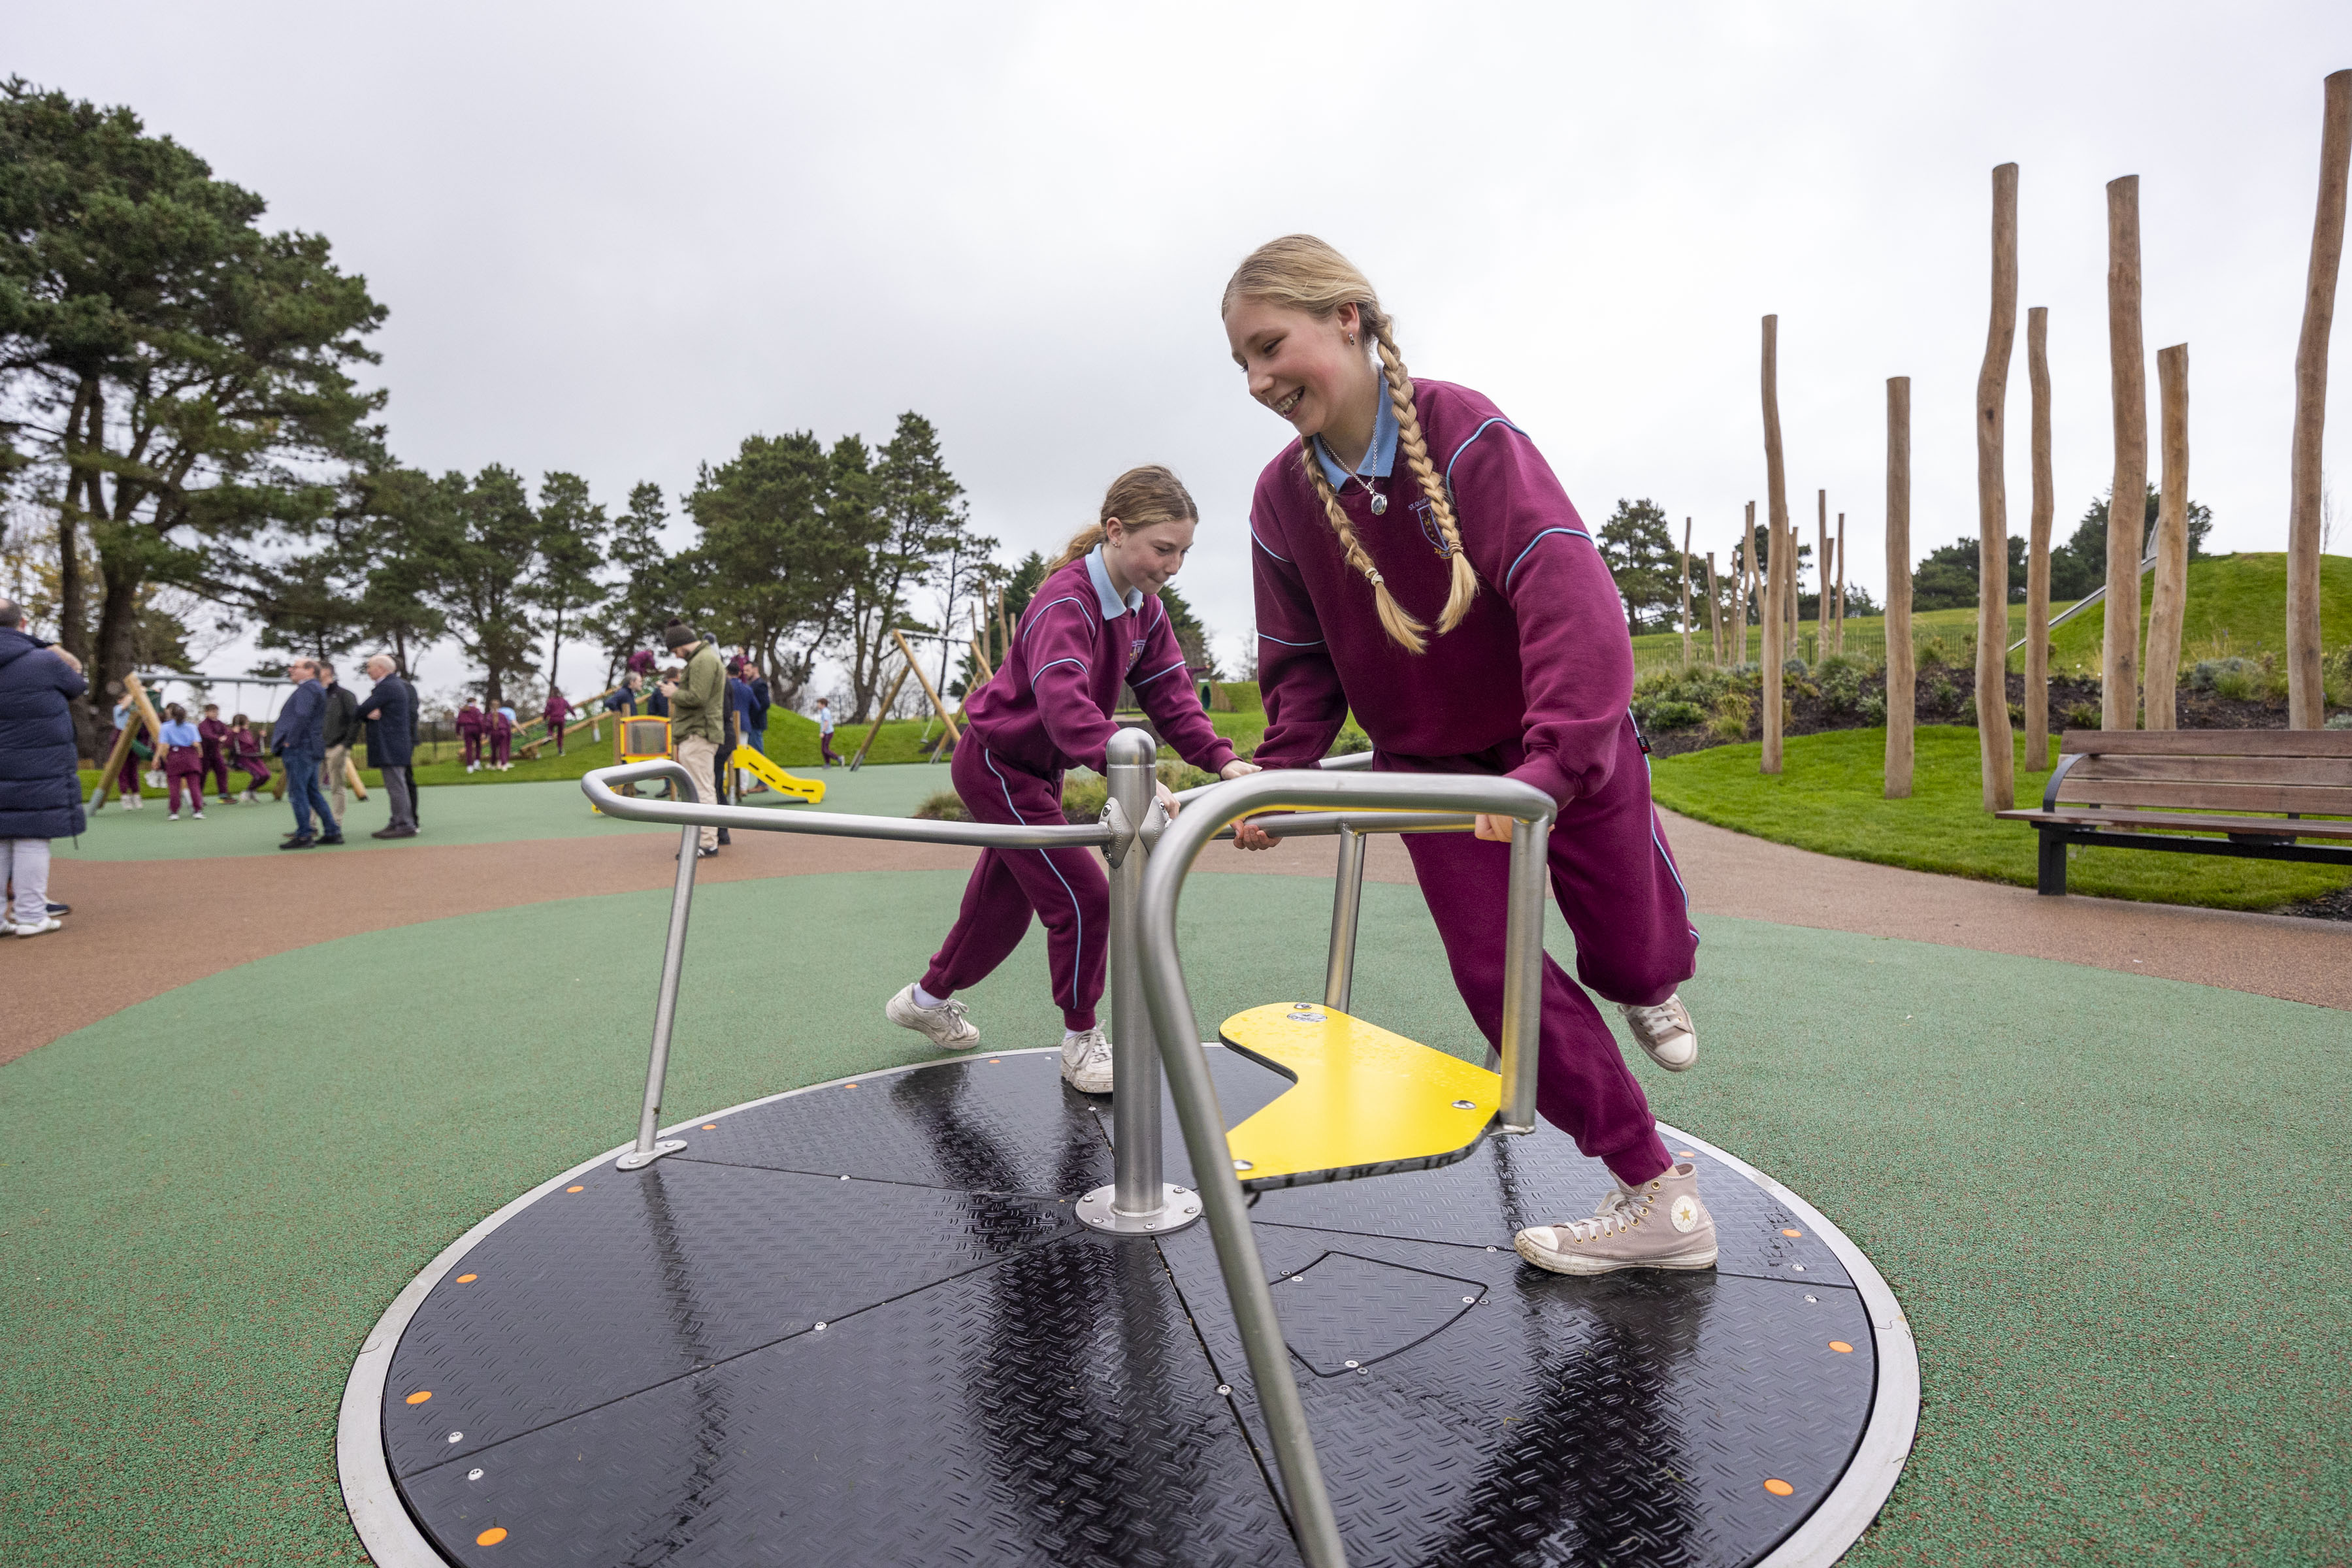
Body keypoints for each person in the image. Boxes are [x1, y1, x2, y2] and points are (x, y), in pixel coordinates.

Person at [1221, 235, 1709, 1277]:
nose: (1260, 381)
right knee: (1498, 974)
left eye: (1272, 347)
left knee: (1628, 942)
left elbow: (1566, 590)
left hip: (1556, 733)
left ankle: (1651, 978)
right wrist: (1277, 774)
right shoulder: (1280, 499)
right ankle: (1656, 1193)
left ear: (1346, 317)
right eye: (1243, 366)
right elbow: (1301, 662)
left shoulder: (1463, 431)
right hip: (1433, 769)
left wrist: (1556, 761)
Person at [884, 466, 1257, 1094]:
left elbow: (1172, 697)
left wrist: (1224, 761)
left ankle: (925, 999)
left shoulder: (1145, 610)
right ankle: (1081, 1039)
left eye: (1184, 552)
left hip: (1041, 770)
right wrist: (1129, 771)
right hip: (998, 766)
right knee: (1086, 898)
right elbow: (1064, 705)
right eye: (1162, 549)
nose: (1174, 566)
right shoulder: (1068, 601)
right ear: (1115, 532)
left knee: (1001, 905)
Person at [0, 597, 86, 936]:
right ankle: (32, 915)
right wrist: (44, 645)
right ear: (22, 625)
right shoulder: (45, 662)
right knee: (32, 837)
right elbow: (77, 682)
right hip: (39, 764)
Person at [660, 621, 725, 857]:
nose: (676, 656)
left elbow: (698, 697)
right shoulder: (703, 659)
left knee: (702, 789)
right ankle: (705, 839)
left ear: (681, 644)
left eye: (675, 651)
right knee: (701, 788)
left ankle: (707, 843)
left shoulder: (703, 660)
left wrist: (673, 693)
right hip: (697, 732)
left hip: (698, 733)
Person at [270, 657, 340, 848]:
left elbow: (302, 715)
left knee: (297, 792)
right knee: (312, 792)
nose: (290, 669)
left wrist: (289, 741)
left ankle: (304, 835)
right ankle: (332, 831)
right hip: (311, 747)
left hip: (300, 747)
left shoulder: (307, 688)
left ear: (310, 671)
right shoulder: (316, 688)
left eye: (295, 667)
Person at [356, 653, 417, 838]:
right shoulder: (394, 685)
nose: (368, 671)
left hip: (391, 745)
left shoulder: (387, 686)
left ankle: (403, 824)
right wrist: (367, 713)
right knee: (397, 784)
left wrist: (365, 713)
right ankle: (398, 821)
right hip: (395, 744)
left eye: (370, 667)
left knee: (396, 785)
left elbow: (361, 709)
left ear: (381, 669)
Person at [319, 661, 360, 829]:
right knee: (312, 787)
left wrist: (345, 745)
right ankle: (310, 824)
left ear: (328, 672)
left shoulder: (344, 695)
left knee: (337, 785)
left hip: (336, 747)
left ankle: (336, 823)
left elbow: (355, 720)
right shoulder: (314, 695)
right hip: (315, 749)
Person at [158, 703, 207, 820]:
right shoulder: (192, 727)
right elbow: (196, 743)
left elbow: (163, 745)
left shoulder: (165, 727)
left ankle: (174, 812)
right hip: (190, 756)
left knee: (174, 786)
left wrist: (160, 758)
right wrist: (200, 752)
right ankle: (197, 810)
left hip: (174, 755)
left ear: (172, 715)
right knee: (194, 785)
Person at [227, 714, 270, 801]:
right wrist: (233, 733)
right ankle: (248, 792)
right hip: (243, 758)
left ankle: (251, 790)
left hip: (254, 756)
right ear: (240, 723)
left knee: (267, 775)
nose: (248, 723)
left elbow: (253, 746)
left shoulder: (248, 733)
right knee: (259, 775)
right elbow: (228, 744)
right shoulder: (234, 733)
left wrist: (260, 737)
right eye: (246, 722)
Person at [198, 702, 234, 806]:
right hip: (204, 755)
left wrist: (231, 733)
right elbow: (207, 734)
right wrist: (219, 738)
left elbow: (226, 732)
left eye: (217, 712)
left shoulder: (219, 723)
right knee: (202, 776)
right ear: (207, 713)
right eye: (213, 712)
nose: (215, 714)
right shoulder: (203, 724)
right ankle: (198, 797)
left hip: (216, 754)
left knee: (222, 771)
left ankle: (223, 795)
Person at [455, 698, 486, 772]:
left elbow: (458, 722)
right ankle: (477, 763)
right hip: (476, 729)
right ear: (473, 702)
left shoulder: (462, 710)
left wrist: (458, 732)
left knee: (468, 748)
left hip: (467, 730)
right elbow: (481, 721)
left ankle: (470, 767)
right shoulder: (476, 710)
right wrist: (483, 732)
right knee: (478, 746)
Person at [542, 686, 572, 757]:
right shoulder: (563, 700)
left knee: (550, 728)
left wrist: (544, 718)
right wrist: (574, 714)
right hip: (562, 719)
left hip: (553, 718)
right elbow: (570, 708)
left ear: (553, 692)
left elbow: (547, 710)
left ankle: (550, 736)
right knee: (560, 735)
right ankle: (560, 750)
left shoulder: (550, 701)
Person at [815, 696, 839, 767]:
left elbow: (826, 722)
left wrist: (823, 732)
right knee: (823, 749)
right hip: (826, 732)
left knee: (825, 749)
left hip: (828, 733)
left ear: (823, 704)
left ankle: (838, 758)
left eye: (819, 704)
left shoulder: (825, 711)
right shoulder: (824, 711)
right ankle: (828, 764)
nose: (818, 705)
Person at [491, 703, 516, 770]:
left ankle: (495, 764)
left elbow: (487, 725)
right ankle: (504, 764)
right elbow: (511, 723)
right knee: (504, 748)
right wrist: (522, 731)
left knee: (495, 749)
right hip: (504, 732)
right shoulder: (509, 712)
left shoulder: (491, 715)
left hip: (493, 733)